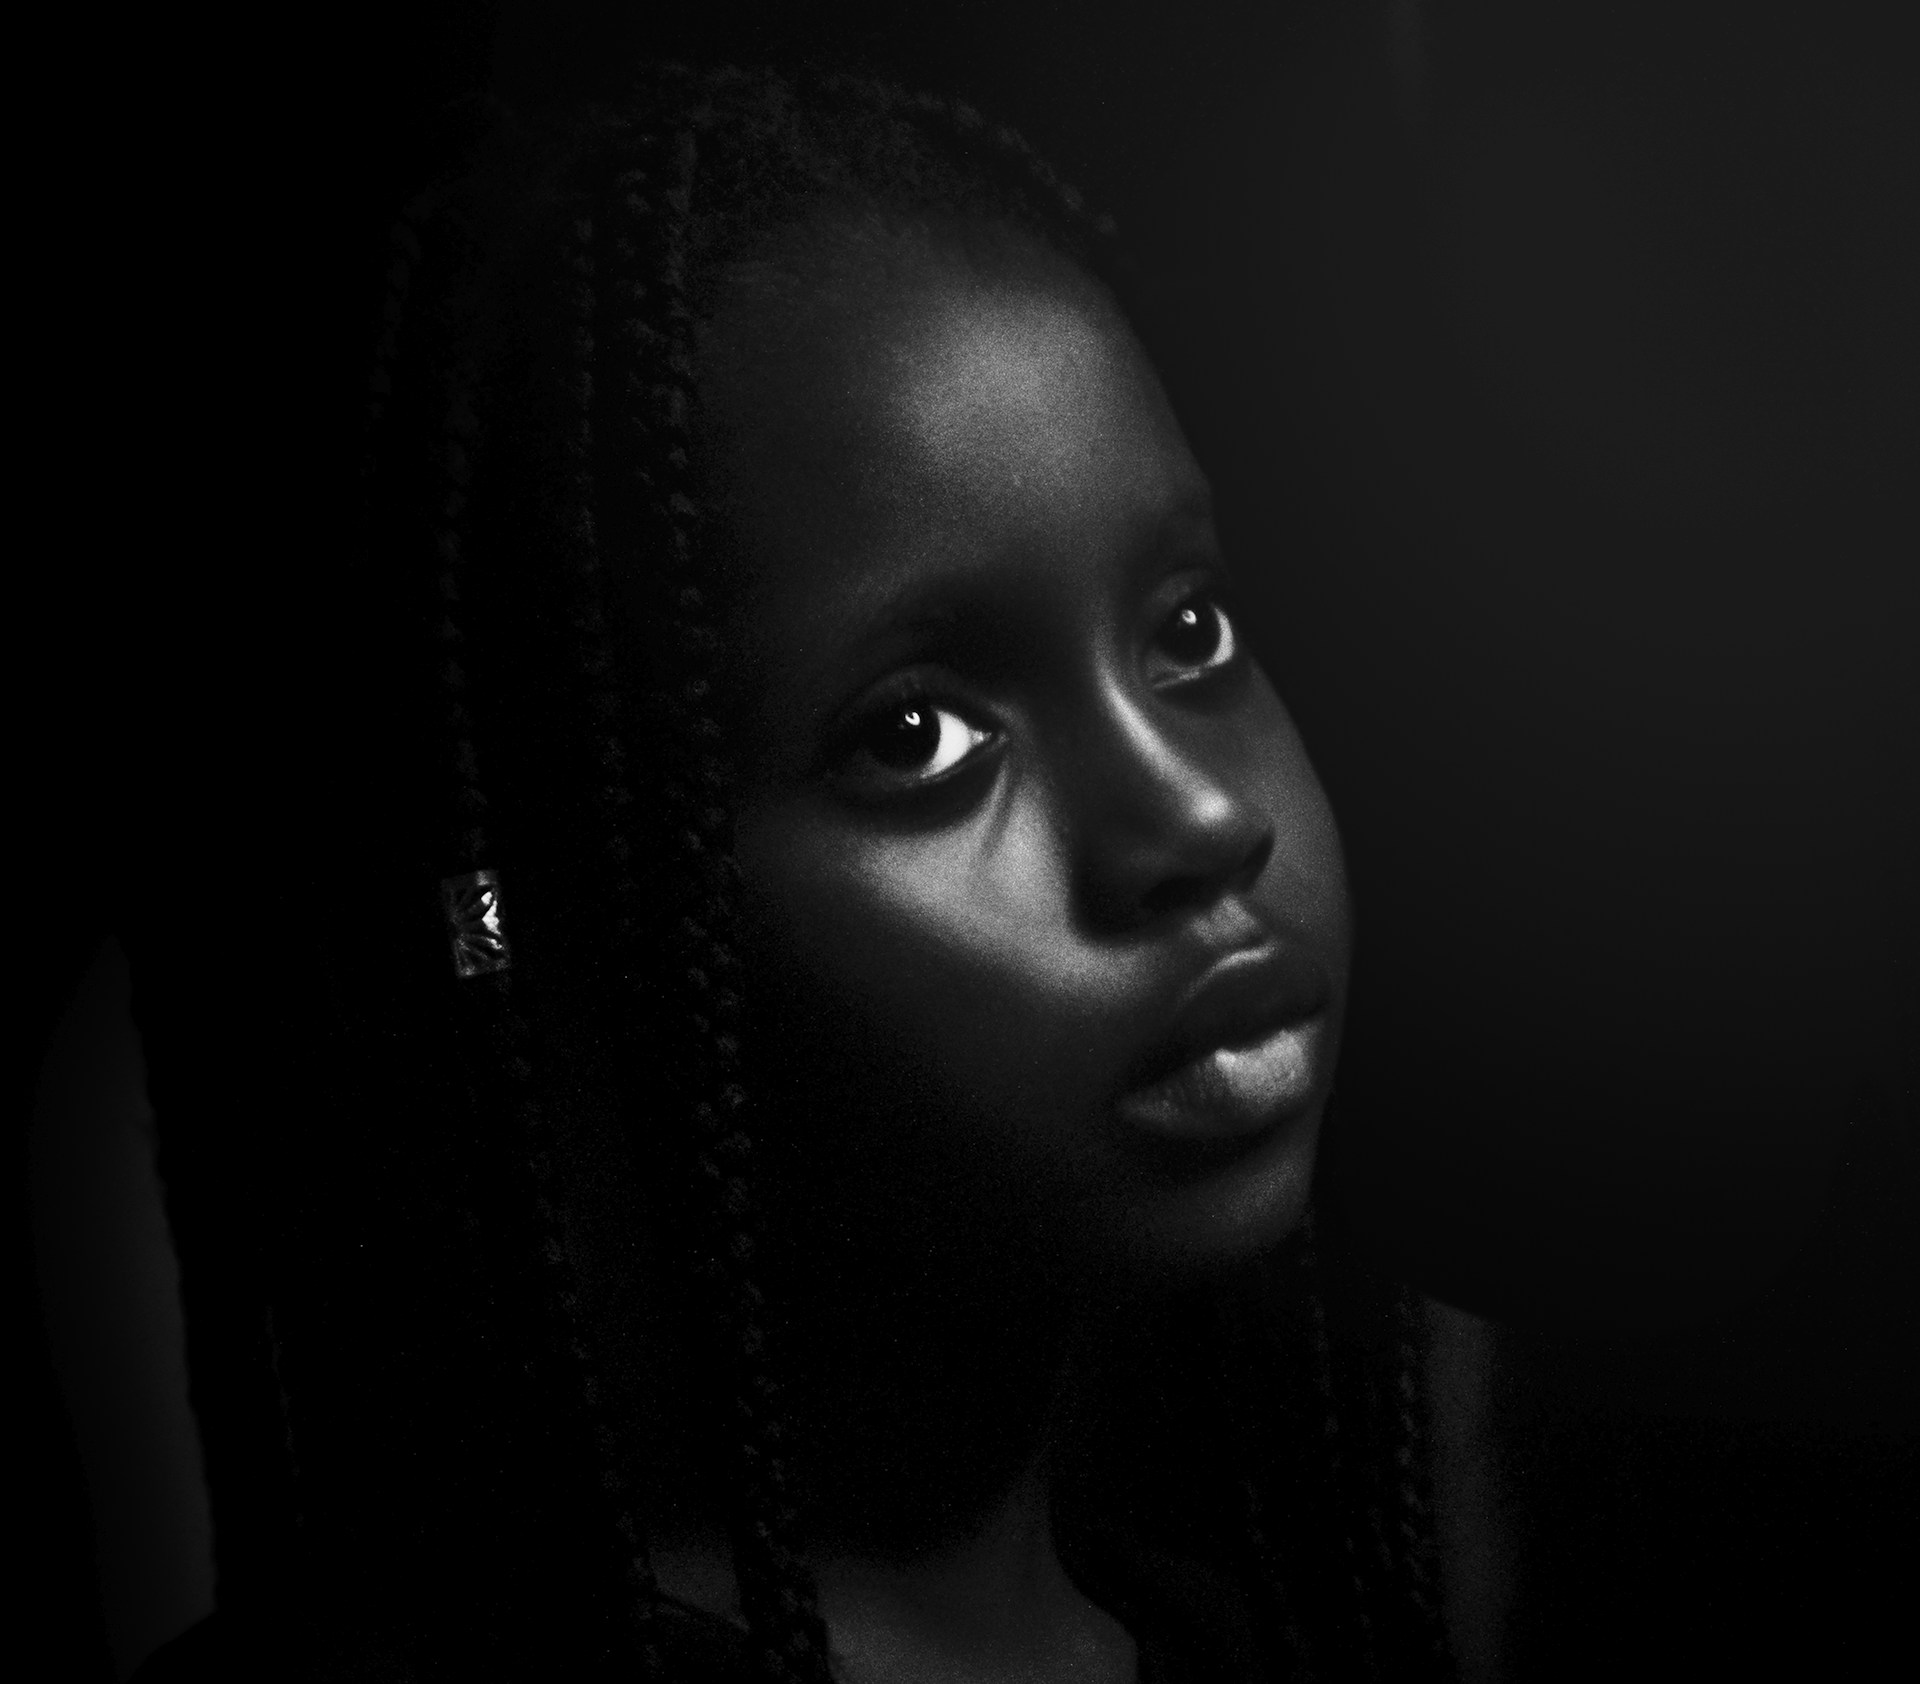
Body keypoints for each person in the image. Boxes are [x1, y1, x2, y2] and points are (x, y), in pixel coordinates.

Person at [136, 61, 1463, 1684]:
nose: (1199, 821)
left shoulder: (1261, 1634)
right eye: (915, 736)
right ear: (533, 926)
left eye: (1188, 630)